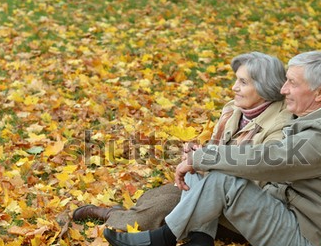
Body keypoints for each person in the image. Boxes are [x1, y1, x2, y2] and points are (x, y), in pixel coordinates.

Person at [104, 50, 321, 246]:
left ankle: (162, 237)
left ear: (320, 93)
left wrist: (204, 157)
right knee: (211, 166)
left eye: (292, 83)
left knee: (218, 171)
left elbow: (272, 160)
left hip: (299, 235)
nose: (283, 89)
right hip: (287, 214)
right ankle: (199, 245)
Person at [71, 52, 292, 235]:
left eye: (243, 82)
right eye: (236, 79)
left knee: (167, 206)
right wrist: (197, 154)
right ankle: (127, 213)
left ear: (265, 88)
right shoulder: (234, 110)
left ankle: (109, 215)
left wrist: (204, 163)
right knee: (166, 194)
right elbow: (218, 151)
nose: (234, 87)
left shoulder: (280, 126)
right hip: (217, 188)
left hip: (248, 206)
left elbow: (260, 174)